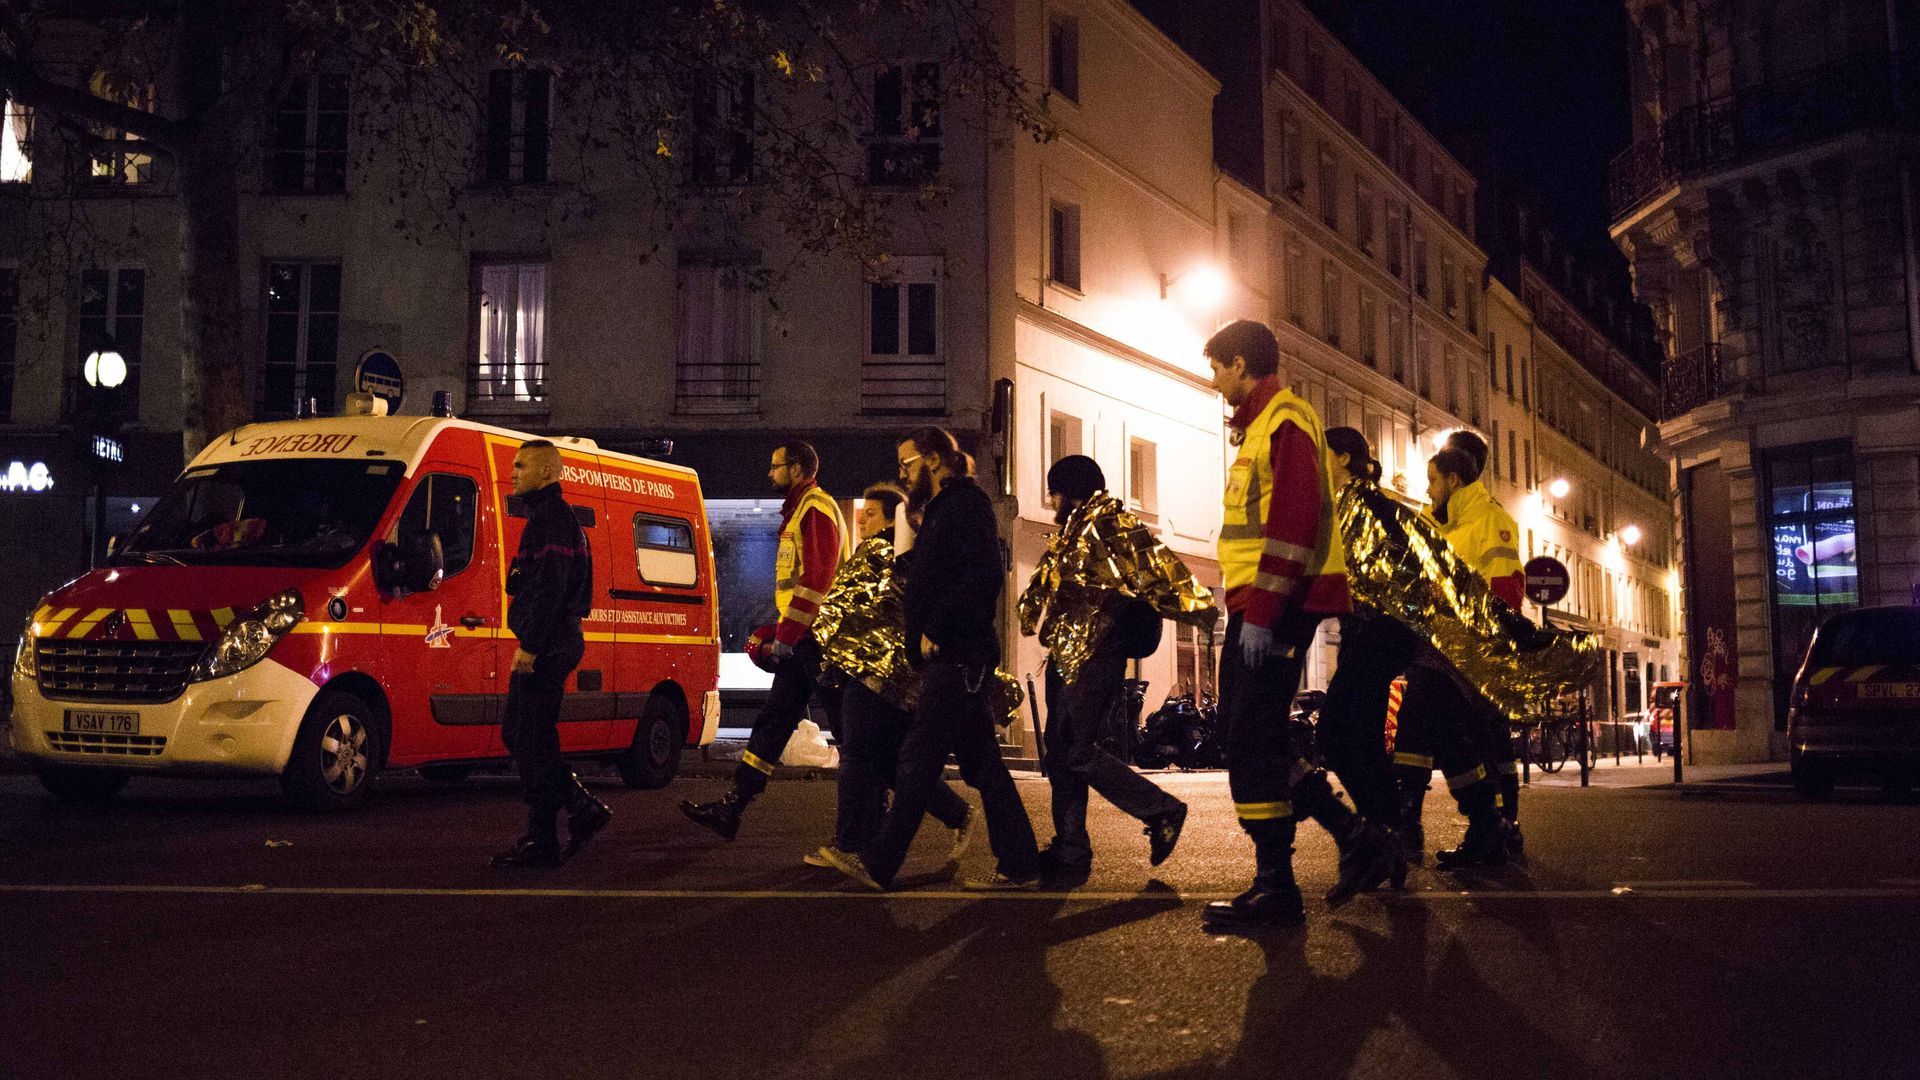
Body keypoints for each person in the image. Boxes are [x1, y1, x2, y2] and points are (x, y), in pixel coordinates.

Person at [1202, 320, 1402, 931]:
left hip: (1275, 605)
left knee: (1249, 739)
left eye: (1217, 367)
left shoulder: (1284, 419)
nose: (1214, 380)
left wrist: (1263, 614)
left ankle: (1278, 885)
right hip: (1260, 603)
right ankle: (1353, 836)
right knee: (1252, 733)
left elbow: (1292, 520)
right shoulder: (1266, 424)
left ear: (1241, 364)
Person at [819, 428, 1043, 892]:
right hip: (953, 659)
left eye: (908, 463)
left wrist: (936, 630)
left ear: (936, 460)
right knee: (983, 766)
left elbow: (984, 576)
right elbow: (944, 577)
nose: (903, 473)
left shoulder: (964, 505)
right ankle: (1021, 862)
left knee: (916, 762)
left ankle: (879, 863)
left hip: (956, 657)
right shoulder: (941, 511)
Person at [1020, 454, 1201, 878]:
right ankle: (1070, 850)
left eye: (1055, 494)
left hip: (1096, 656)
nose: (1052, 502)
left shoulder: (1112, 528)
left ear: (1071, 492)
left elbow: (1153, 579)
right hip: (1068, 655)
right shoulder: (1076, 531)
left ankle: (1160, 809)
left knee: (1076, 750)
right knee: (1061, 752)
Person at [806, 480, 977, 867]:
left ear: (890, 520)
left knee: (857, 756)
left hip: (875, 672)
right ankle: (952, 814)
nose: (862, 521)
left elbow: (849, 605)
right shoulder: (899, 556)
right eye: (861, 514)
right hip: (890, 676)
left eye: (870, 515)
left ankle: (851, 844)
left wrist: (823, 642)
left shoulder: (880, 553)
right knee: (886, 761)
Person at [682, 440, 846, 840]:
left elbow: (817, 579)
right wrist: (786, 631)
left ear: (796, 469)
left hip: (817, 640)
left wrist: (786, 635)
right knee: (774, 721)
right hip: (805, 638)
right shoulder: (800, 509)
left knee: (848, 728)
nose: (769, 473)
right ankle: (733, 805)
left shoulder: (814, 507)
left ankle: (885, 808)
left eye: (775, 466)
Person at [1392, 444, 1522, 869]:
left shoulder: (1490, 521)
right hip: (1436, 646)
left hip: (1466, 652)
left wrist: (1487, 650)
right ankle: (1485, 826)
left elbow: (1505, 590)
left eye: (1433, 481)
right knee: (1433, 732)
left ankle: (1490, 825)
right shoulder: (1441, 523)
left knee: (1454, 735)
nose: (1428, 490)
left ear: (1453, 480)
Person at [491, 440, 611, 868]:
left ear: (546, 472)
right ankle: (578, 807)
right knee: (526, 735)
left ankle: (544, 836)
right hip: (552, 640)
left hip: (548, 643)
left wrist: (531, 646)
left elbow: (550, 587)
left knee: (528, 736)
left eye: (521, 465)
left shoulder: (551, 519)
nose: (513, 472)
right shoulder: (549, 518)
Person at [1314, 428, 1420, 840]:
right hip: (1365, 632)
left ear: (1342, 458)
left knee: (1334, 731)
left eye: (1321, 453)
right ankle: (1388, 827)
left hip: (1377, 632)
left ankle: (1380, 822)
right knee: (1362, 734)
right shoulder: (1353, 502)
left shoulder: (1362, 504)